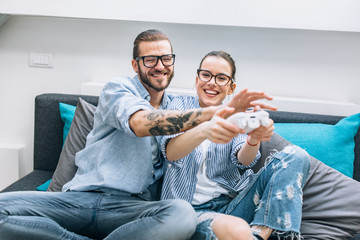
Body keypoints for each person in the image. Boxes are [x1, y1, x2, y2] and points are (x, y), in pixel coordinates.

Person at [0, 30, 276, 240]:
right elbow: (142, 123)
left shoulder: (177, 107)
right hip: (79, 198)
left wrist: (241, 127)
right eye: (150, 59)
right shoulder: (118, 89)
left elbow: (200, 149)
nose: (160, 65)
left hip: (131, 209)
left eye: (166, 58)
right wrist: (215, 113)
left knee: (181, 215)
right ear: (135, 64)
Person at [160, 50, 311, 240]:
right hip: (188, 213)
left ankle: (259, 233)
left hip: (233, 206)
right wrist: (207, 127)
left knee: (297, 156)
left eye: (221, 78)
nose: (212, 82)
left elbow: (244, 160)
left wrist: (254, 139)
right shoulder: (178, 107)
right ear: (197, 78)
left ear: (231, 87)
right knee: (220, 232)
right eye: (206, 74)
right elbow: (171, 152)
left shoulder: (237, 114)